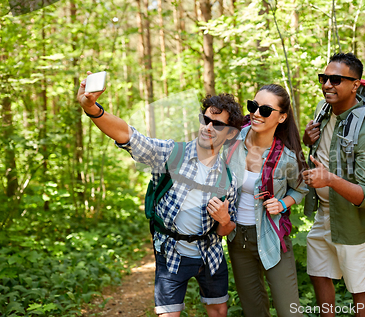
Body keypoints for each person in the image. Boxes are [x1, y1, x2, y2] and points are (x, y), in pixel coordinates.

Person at [77, 71, 244, 317]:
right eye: (205, 120)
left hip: (210, 254)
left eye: (217, 124)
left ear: (230, 133)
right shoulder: (170, 155)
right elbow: (127, 135)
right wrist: (93, 109)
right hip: (171, 253)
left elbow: (225, 230)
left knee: (219, 310)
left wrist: (224, 219)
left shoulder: (230, 177)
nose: (208, 128)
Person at [302, 53, 365, 317]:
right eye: (324, 78)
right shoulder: (322, 111)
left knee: (359, 287)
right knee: (318, 273)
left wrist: (330, 180)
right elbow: (324, 152)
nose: (327, 85)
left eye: (336, 80)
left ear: (355, 85)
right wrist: (307, 139)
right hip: (323, 214)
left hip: (350, 219)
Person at [224, 84, 308, 317]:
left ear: (281, 117)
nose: (256, 113)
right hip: (237, 239)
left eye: (265, 110)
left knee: (289, 311)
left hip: (272, 238)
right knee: (253, 311)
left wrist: (282, 204)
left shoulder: (287, 158)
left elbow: (302, 189)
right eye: (253, 106)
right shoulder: (231, 141)